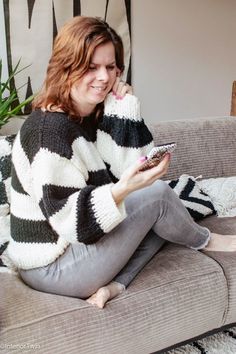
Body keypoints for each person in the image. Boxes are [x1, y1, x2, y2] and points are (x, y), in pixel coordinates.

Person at [8, 16, 236, 309]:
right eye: (91, 67)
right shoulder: (47, 131)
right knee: (159, 199)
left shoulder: (90, 116)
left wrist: (124, 109)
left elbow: (127, 169)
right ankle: (208, 240)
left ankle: (115, 285)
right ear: (66, 66)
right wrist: (124, 190)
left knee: (161, 216)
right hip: (50, 267)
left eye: (110, 66)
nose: (104, 77)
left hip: (78, 251)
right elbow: (74, 224)